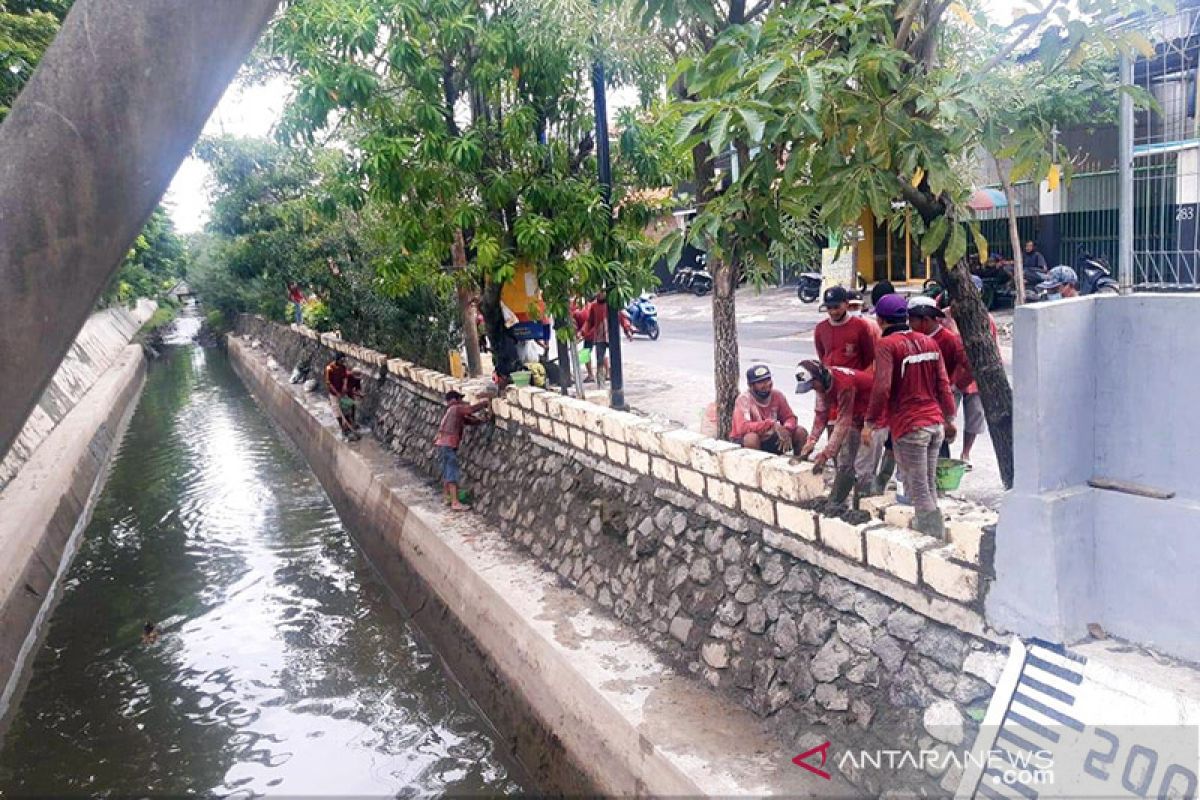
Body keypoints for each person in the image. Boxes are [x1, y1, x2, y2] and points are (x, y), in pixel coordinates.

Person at [863, 295, 957, 537]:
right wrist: (949, 419)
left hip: (910, 425)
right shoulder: (928, 342)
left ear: (880, 319)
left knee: (918, 487)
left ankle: (930, 533)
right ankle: (936, 529)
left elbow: (882, 388)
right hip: (934, 424)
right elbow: (944, 385)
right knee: (928, 482)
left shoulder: (887, 345)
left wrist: (870, 422)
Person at [796, 360, 876, 505]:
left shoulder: (843, 384)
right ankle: (836, 502)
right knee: (845, 461)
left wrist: (826, 454)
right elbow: (821, 415)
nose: (813, 389)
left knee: (862, 465)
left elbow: (843, 422)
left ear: (819, 377)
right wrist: (811, 441)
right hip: (856, 415)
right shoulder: (822, 386)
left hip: (875, 415)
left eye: (813, 385)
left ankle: (861, 509)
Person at [731, 365, 808, 455]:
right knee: (751, 438)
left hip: (769, 438)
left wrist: (787, 429)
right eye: (761, 382)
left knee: (800, 432)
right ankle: (754, 466)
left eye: (768, 380)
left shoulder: (777, 395)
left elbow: (790, 417)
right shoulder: (744, 400)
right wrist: (771, 425)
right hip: (748, 443)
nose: (767, 384)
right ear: (751, 385)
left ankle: (797, 463)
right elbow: (742, 428)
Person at [435, 390, 490, 510]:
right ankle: (455, 502)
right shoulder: (456, 408)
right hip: (448, 444)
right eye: (460, 399)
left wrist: (482, 421)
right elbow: (470, 410)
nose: (462, 401)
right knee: (452, 473)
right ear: (455, 399)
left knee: (447, 472)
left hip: (442, 443)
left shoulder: (450, 411)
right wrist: (484, 403)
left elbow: (469, 421)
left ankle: (447, 497)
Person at [814, 286, 877, 371]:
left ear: (846, 304)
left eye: (836, 307)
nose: (833, 312)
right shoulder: (820, 329)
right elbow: (822, 355)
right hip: (830, 380)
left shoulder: (862, 326)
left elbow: (869, 358)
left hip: (853, 380)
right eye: (829, 308)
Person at [580, 291, 610, 384]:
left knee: (586, 354)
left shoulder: (587, 308)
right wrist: (582, 332)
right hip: (591, 335)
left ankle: (595, 374)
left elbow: (589, 322)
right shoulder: (592, 307)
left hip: (593, 335)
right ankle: (593, 374)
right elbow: (589, 322)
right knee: (593, 355)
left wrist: (583, 332)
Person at [324, 354, 355, 438]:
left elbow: (345, 377)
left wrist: (344, 386)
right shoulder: (329, 368)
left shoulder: (343, 367)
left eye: (343, 360)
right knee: (336, 410)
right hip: (334, 393)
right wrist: (336, 393)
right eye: (341, 360)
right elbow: (328, 383)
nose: (343, 362)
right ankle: (342, 427)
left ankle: (348, 426)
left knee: (346, 407)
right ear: (337, 360)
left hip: (342, 392)